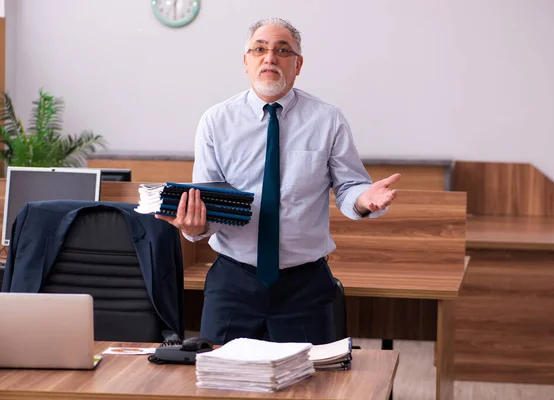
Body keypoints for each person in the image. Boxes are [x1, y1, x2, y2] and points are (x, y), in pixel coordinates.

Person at [157, 17, 401, 345]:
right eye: (259, 49)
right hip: (234, 281)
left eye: (282, 50)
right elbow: (209, 201)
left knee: (312, 386)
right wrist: (194, 225)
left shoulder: (328, 120)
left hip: (305, 285)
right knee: (223, 385)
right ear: (246, 62)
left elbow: (348, 187)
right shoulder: (216, 121)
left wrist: (363, 199)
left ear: (298, 65)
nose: (270, 57)